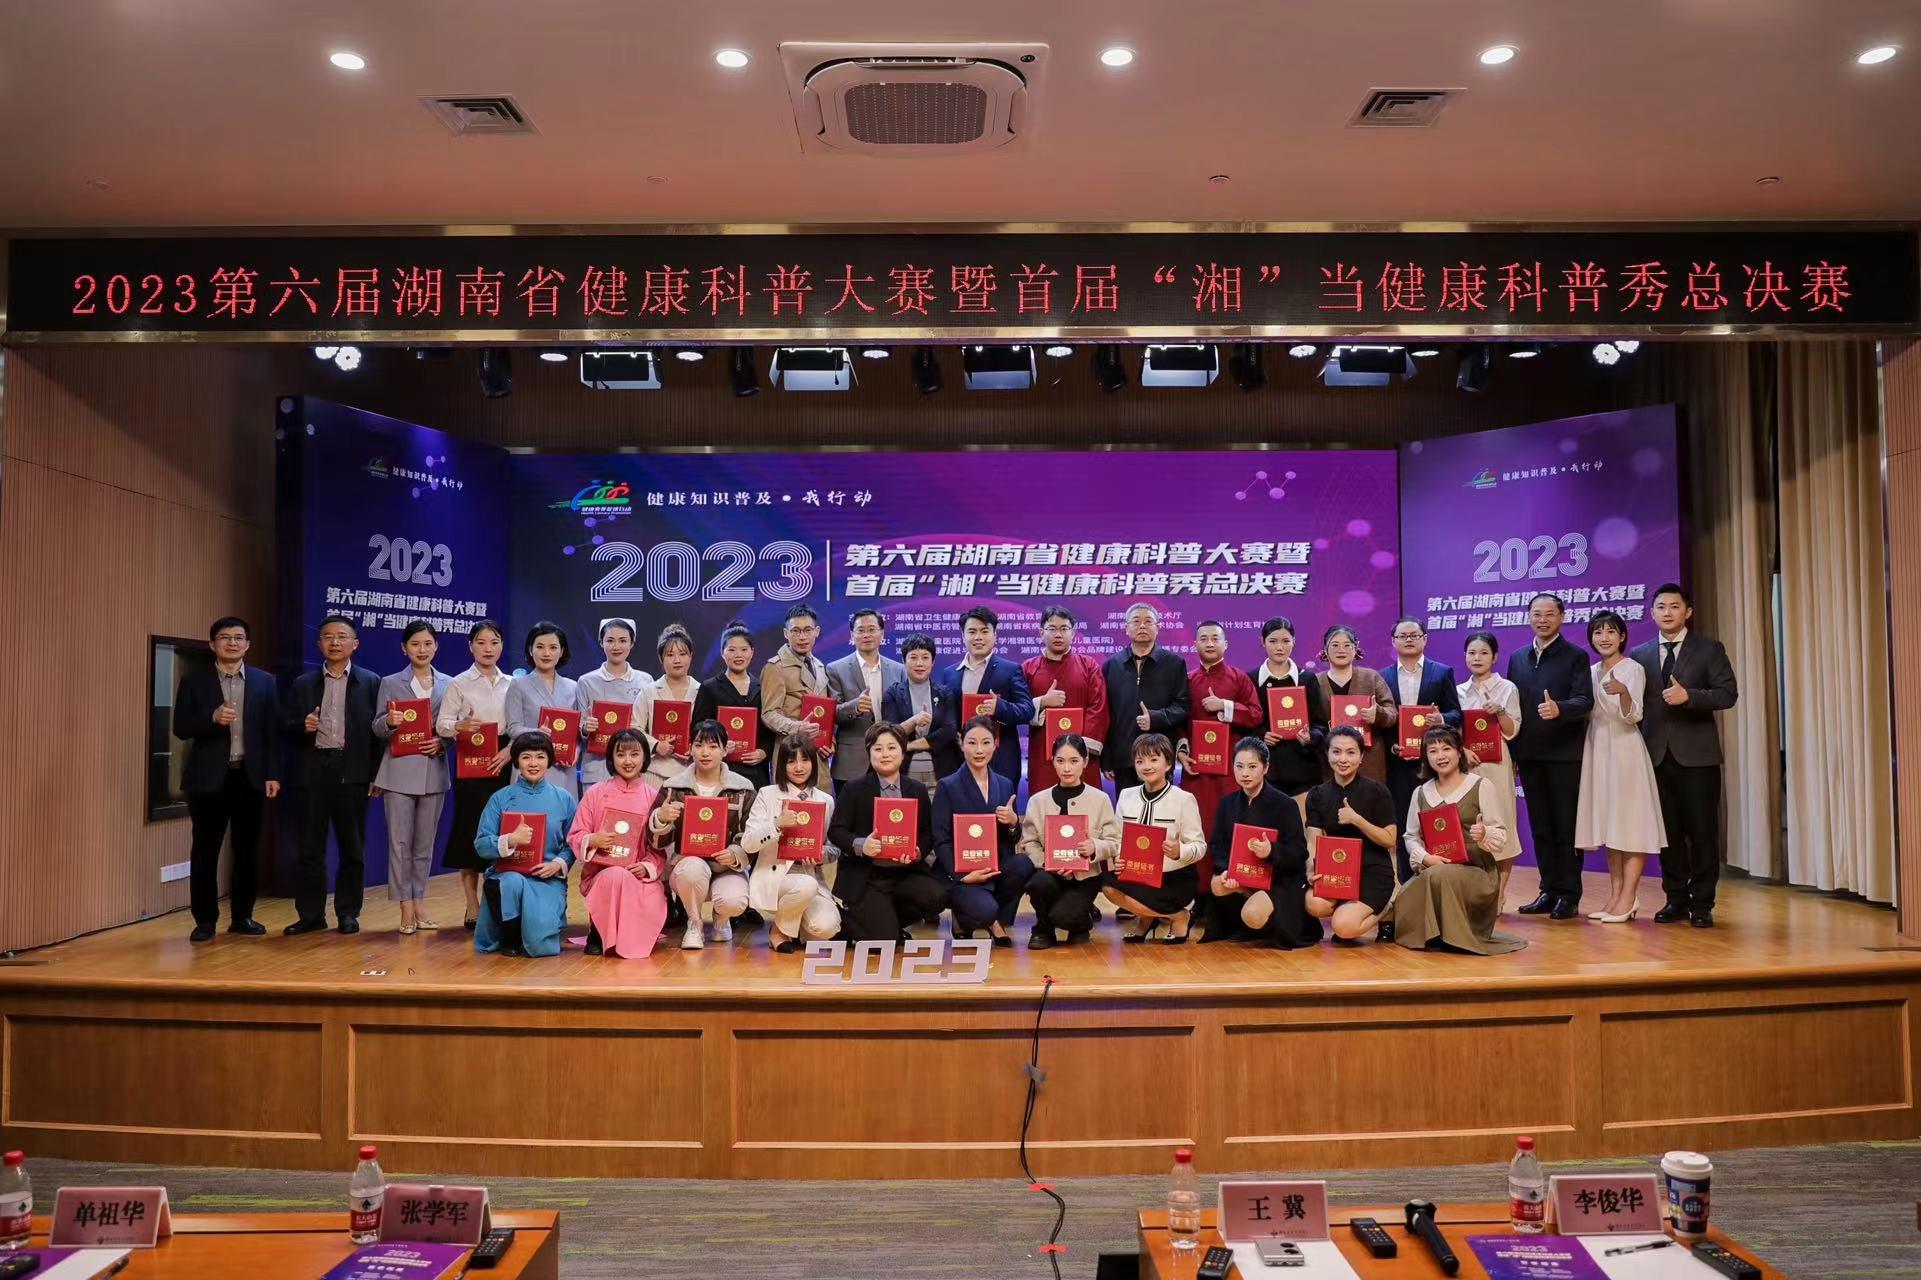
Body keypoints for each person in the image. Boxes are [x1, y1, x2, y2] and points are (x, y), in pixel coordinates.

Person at [1630, 583, 1740, 928]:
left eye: (1674, 606)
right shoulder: (1639, 654)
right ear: (1652, 613)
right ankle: (1675, 898)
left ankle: (1702, 903)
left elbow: (1727, 694)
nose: (1667, 612)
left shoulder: (1708, 649)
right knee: (1669, 834)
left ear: (1687, 612)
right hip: (1655, 757)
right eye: (1661, 607)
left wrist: (1689, 696)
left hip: (1698, 757)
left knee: (1702, 832)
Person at [172, 615, 282, 942]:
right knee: (205, 851)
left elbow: (273, 731)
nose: (232, 642)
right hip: (208, 781)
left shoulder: (265, 681)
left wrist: (273, 773)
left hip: (250, 778)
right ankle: (205, 921)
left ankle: (243, 917)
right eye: (224, 637)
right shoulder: (195, 680)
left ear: (247, 645)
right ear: (212, 644)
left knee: (246, 850)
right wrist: (212, 718)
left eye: (238, 637)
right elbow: (181, 728)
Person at [283, 615, 383, 936]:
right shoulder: (303, 684)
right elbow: (284, 727)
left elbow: (379, 735)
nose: (335, 642)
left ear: (355, 644)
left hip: (353, 772)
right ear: (319, 644)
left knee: (352, 848)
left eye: (342, 636)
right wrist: (302, 726)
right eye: (328, 636)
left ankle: (348, 913)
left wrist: (376, 774)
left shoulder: (371, 682)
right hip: (313, 772)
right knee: (310, 848)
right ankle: (311, 915)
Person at [1386, 726, 1525, 955]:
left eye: (1446, 749)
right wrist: (1425, 857)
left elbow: (1501, 834)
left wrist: (1484, 834)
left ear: (1460, 752)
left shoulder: (1480, 785)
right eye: (1433, 751)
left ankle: (1452, 935)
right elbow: (1411, 836)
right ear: (1426, 756)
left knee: (1439, 875)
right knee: (1405, 895)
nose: (1440, 756)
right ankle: (1434, 933)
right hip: (1434, 867)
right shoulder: (1421, 792)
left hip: (1476, 869)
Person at [1574, 611, 1668, 923]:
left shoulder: (1633, 669)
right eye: (1598, 632)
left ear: (1622, 636)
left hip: (1625, 751)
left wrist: (1624, 692)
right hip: (1598, 750)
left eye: (1611, 632)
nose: (1604, 638)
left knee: (1631, 824)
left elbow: (1633, 716)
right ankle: (1615, 897)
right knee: (1610, 827)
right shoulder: (1590, 672)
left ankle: (1629, 897)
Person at [1506, 593, 1594, 920]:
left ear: (1562, 617)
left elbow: (1585, 700)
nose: (1542, 620)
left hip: (1564, 756)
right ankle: (1549, 889)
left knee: (1565, 827)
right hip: (1529, 754)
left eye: (1549, 614)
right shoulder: (1518, 658)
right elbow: (1514, 710)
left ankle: (1569, 894)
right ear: (1528, 617)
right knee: (1540, 827)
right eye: (1536, 614)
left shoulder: (1575, 656)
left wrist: (1560, 709)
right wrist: (1513, 753)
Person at [827, 722, 948, 943]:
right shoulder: (854, 788)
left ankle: (882, 922)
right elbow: (836, 831)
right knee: (883, 943)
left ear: (903, 751)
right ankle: (853, 921)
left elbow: (927, 833)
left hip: (905, 872)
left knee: (936, 898)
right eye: (878, 748)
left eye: (892, 748)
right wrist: (861, 844)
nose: (885, 754)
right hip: (867, 874)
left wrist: (917, 851)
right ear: (869, 753)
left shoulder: (916, 789)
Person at [370, 621, 452, 934]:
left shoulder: (449, 683)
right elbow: (377, 726)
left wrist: (443, 742)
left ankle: (420, 900)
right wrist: (390, 722)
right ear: (404, 648)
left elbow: (452, 727)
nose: (422, 649)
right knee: (400, 843)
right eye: (415, 644)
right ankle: (404, 904)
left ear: (436, 647)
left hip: (434, 771)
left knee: (424, 845)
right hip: (398, 771)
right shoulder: (391, 682)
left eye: (428, 643)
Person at [649, 718, 758, 950]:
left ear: (725, 750)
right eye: (698, 745)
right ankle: (694, 922)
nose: (705, 752)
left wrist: (735, 853)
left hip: (727, 867)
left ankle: (722, 919)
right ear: (690, 748)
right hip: (688, 865)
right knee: (692, 869)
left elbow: (751, 833)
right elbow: (655, 842)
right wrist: (662, 818)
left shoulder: (744, 788)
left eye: (713, 746)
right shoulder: (673, 787)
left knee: (734, 900)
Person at [1202, 738, 1317, 949]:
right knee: (1217, 885)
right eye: (1239, 766)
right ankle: (1244, 925)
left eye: (1252, 766)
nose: (1245, 773)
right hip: (1243, 875)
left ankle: (1271, 926)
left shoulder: (1285, 804)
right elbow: (1217, 845)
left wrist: (1271, 851)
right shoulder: (1227, 803)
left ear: (1265, 768)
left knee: (1253, 914)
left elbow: (1299, 852)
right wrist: (1226, 871)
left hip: (1278, 880)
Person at [437, 620, 513, 931]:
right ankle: (472, 902)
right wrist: (459, 726)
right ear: (471, 647)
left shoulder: (512, 683)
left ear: (502, 646)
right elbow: (442, 724)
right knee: (470, 829)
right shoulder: (459, 683)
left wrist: (509, 750)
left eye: (494, 642)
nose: (488, 649)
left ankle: (497, 900)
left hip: (504, 759)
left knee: (502, 828)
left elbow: (518, 723)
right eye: (481, 642)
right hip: (471, 759)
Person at [473, 731, 578, 957]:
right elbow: (481, 844)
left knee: (542, 947)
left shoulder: (564, 799)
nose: (533, 763)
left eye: (540, 757)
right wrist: (510, 839)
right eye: (526, 757)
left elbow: (573, 844)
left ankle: (531, 933)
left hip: (547, 879)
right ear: (516, 761)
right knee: (511, 882)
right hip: (507, 876)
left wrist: (557, 864)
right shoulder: (500, 798)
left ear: (549, 760)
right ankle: (509, 936)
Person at [932, 717, 1035, 947]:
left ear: (995, 743)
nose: (979, 750)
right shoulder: (947, 785)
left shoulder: (1005, 784)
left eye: (986, 742)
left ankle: (988, 916)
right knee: (984, 911)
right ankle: (978, 917)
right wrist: (960, 874)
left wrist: (1012, 823)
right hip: (964, 871)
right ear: (961, 743)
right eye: (972, 743)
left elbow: (1011, 838)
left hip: (993, 867)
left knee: (1024, 864)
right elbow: (940, 839)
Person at [566, 727, 665, 958]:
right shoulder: (596, 793)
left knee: (629, 880)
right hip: (601, 874)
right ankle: (598, 932)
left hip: (639, 877)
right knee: (614, 875)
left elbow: (659, 847)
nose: (628, 761)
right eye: (621, 754)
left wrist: (646, 866)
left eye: (634, 754)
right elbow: (576, 834)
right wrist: (593, 840)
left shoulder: (654, 797)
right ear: (611, 758)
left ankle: (628, 936)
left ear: (645, 757)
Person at [739, 732, 842, 953]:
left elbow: (834, 847)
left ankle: (792, 925)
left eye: (805, 760)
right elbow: (748, 844)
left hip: (810, 872)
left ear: (813, 763)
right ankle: (779, 931)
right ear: (781, 765)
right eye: (791, 761)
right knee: (805, 885)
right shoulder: (767, 795)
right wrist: (776, 824)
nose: (799, 767)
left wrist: (822, 854)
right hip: (775, 875)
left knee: (826, 927)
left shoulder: (825, 800)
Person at [1379, 617, 1463, 882]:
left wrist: (1441, 719)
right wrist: (1392, 746)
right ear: (1393, 641)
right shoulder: (1382, 677)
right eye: (1402, 636)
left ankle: (1439, 879)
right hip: (1398, 765)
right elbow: (1382, 722)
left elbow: (1456, 713)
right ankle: (1407, 883)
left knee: (1437, 821)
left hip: (1435, 763)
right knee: (1405, 824)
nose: (1409, 640)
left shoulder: (1442, 672)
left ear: (1425, 639)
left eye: (1414, 635)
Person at [1019, 733, 1121, 949]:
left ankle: (1081, 922)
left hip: (1085, 876)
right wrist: (1046, 862)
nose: (1067, 768)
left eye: (1074, 761)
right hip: (1050, 873)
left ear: (1085, 762)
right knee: (1038, 884)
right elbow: (1029, 842)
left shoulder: (1100, 799)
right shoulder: (1037, 801)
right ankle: (1043, 929)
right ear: (1053, 762)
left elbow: (1114, 841)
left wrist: (1095, 847)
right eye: (1061, 761)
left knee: (1064, 917)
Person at [1104, 733, 1208, 942]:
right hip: (1136, 872)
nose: (1146, 766)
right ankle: (1150, 917)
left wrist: (1179, 851)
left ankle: (1179, 916)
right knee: (1107, 887)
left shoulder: (1184, 799)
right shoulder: (1126, 795)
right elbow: (1116, 838)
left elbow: (1200, 846)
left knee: (1141, 897)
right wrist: (1118, 858)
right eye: (1140, 761)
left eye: (1153, 759)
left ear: (1168, 763)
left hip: (1173, 877)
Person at [1304, 727, 1399, 944]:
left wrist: (1357, 820)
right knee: (1313, 904)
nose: (1343, 759)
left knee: (1343, 927)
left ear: (1361, 756)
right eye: (1336, 752)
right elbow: (1312, 840)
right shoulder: (1317, 795)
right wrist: (1310, 870)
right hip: (1336, 871)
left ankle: (1387, 908)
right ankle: (1345, 906)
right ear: (1327, 754)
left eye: (1351, 752)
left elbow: (1389, 839)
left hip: (1372, 871)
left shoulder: (1378, 791)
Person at [1177, 621, 1262, 855]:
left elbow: (1256, 715)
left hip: (1230, 769)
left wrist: (1224, 705)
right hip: (1196, 768)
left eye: (1215, 638)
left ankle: (1230, 875)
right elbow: (1178, 722)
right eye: (1204, 639)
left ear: (1226, 644)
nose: (1210, 643)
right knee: (1196, 823)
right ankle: (1198, 876)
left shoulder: (1239, 678)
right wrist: (1182, 752)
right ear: (1194, 645)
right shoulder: (1186, 680)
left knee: (1231, 823)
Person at [1456, 631, 1523, 912]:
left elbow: (1513, 730)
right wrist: (1461, 751)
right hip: (1465, 767)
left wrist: (1500, 713)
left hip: (1497, 766)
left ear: (1495, 657)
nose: (1477, 658)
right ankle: (1474, 892)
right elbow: (1453, 730)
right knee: (1467, 828)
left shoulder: (1507, 688)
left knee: (1501, 824)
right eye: (1472, 653)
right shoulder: (1458, 691)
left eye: (1484, 653)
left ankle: (1499, 893)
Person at [938, 606, 1034, 785]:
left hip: (1000, 761)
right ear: (963, 635)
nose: (978, 637)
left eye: (984, 631)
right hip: (960, 762)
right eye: (972, 632)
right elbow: (947, 715)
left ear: (995, 634)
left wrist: (1000, 707)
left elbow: (1027, 710)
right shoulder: (949, 674)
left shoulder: (1010, 670)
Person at [1101, 603, 1191, 790]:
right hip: (1123, 758)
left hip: (1159, 756)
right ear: (1126, 628)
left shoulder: (1174, 663)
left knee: (1161, 807)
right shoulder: (1112, 665)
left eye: (1148, 621)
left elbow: (1182, 706)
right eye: (1136, 621)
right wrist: (1107, 758)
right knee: (1128, 806)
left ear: (1158, 628)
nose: (1142, 626)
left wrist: (1156, 718)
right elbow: (1105, 714)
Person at [1023, 606, 1111, 792]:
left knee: (1086, 805)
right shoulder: (1028, 669)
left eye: (1064, 629)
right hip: (1043, 755)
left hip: (1082, 754)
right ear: (1041, 632)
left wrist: (1080, 750)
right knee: (1044, 804)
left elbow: (1098, 708)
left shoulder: (1088, 666)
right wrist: (1042, 702)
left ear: (1073, 633)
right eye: (1052, 629)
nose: (1058, 634)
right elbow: (1019, 708)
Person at [1249, 616, 1327, 799]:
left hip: (1304, 769)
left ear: (1294, 641)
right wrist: (1261, 735)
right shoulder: (1251, 679)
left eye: (1285, 641)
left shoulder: (1307, 679)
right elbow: (1245, 723)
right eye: (1273, 641)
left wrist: (1311, 736)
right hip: (1266, 770)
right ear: (1263, 642)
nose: (1279, 647)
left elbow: (1321, 724)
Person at [827, 609, 907, 788]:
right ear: (852, 635)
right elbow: (831, 713)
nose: (866, 635)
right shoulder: (835, 669)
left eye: (872, 629)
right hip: (851, 761)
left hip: (890, 757)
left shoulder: (899, 670)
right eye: (860, 630)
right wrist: (855, 706)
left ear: (882, 633)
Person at [576, 617, 655, 790]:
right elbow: (579, 728)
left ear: (632, 643)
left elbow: (649, 727)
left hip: (634, 767)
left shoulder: (645, 680)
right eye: (610, 640)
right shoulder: (586, 682)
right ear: (601, 642)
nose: (616, 646)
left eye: (623, 641)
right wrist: (585, 728)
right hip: (597, 769)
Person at [506, 621, 580, 799]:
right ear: (530, 650)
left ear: (561, 651)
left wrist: (575, 751)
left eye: (553, 647)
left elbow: (577, 730)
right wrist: (536, 732)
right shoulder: (518, 684)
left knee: (562, 811)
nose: (546, 653)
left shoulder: (573, 687)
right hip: (531, 763)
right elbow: (513, 728)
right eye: (540, 647)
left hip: (563, 765)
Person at [693, 621, 770, 790]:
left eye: (744, 649)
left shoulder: (762, 688)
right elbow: (697, 727)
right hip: (720, 769)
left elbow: (770, 729)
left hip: (756, 770)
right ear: (722, 652)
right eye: (732, 650)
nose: (738, 655)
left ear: (752, 652)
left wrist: (764, 752)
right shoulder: (709, 687)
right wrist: (717, 744)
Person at [1316, 625, 1393, 784]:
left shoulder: (1371, 677)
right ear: (1325, 650)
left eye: (1347, 645)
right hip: (1330, 762)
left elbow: (1392, 714)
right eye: (1335, 645)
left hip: (1369, 761)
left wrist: (1377, 714)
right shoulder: (1315, 682)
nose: (1341, 650)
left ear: (1356, 648)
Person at [882, 633, 958, 788]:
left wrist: (910, 745)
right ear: (903, 660)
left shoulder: (945, 693)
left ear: (933, 661)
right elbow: (889, 733)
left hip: (941, 772)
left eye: (925, 657)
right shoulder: (893, 693)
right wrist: (914, 721)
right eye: (913, 657)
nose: (919, 663)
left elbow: (949, 730)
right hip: (903, 771)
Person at [761, 604, 832, 757]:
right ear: (786, 633)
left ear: (816, 631)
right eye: (795, 631)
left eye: (807, 630)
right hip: (790, 750)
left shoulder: (820, 666)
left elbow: (825, 712)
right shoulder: (775, 667)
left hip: (818, 752)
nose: (802, 637)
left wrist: (830, 741)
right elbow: (769, 714)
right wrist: (797, 727)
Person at [644, 623, 702, 789]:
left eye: (682, 654)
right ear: (661, 658)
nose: (677, 660)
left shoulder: (702, 691)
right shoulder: (649, 691)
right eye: (670, 655)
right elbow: (634, 727)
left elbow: (708, 729)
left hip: (691, 771)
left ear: (691, 656)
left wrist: (696, 747)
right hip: (655, 771)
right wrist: (656, 745)